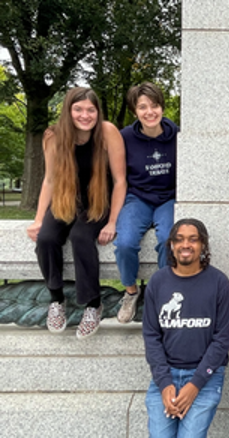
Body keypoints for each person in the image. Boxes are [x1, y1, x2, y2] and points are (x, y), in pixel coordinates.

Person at [26, 87, 126, 339]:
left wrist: (112, 221)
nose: (85, 115)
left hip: (97, 200)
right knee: (46, 239)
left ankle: (93, 305)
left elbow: (120, 180)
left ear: (97, 111)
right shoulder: (53, 136)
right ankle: (56, 299)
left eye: (90, 109)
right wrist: (38, 219)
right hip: (66, 199)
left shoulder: (108, 132)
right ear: (68, 111)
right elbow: (49, 180)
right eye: (78, 109)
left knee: (81, 237)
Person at [143, 218, 229, 438]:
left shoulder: (219, 283)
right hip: (165, 376)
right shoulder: (157, 282)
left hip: (204, 378)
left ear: (203, 245)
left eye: (193, 239)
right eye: (180, 239)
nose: (186, 245)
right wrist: (165, 384)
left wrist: (195, 384)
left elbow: (222, 339)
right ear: (172, 245)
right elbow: (151, 336)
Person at [114, 82, 178, 323]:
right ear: (134, 111)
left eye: (155, 105)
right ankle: (131, 292)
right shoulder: (125, 137)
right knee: (126, 243)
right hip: (138, 197)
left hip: (168, 198)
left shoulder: (178, 135)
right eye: (143, 107)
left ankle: (159, 293)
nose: (150, 112)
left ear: (162, 106)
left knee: (167, 240)